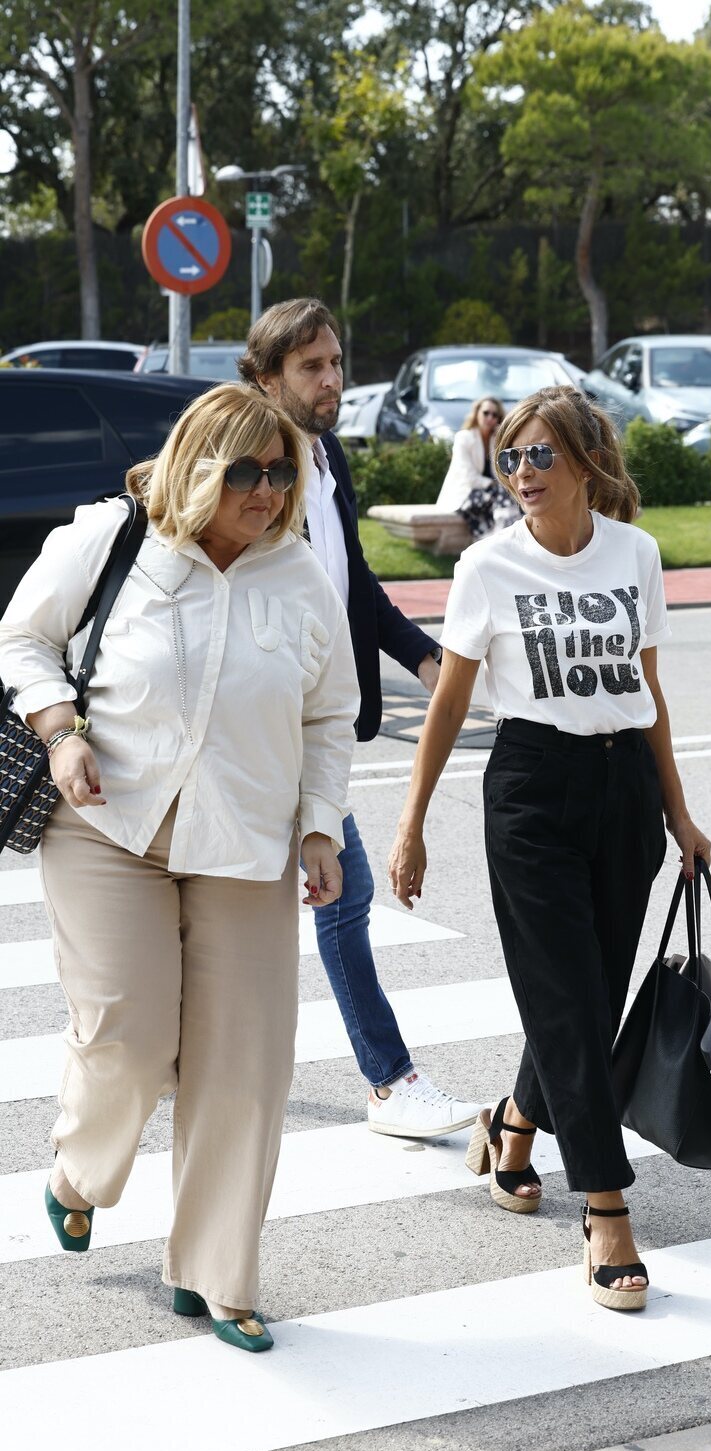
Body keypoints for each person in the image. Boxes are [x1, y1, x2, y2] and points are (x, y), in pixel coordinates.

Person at [0, 382, 359, 1352]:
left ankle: (216, 1275)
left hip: (243, 847)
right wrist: (61, 728)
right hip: (107, 828)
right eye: (247, 469)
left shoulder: (297, 577)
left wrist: (319, 828)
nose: (268, 488)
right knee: (126, 1034)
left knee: (244, 1068)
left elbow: (330, 717)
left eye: (281, 470)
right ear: (200, 465)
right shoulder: (113, 538)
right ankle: (79, 1172)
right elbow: (23, 635)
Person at [388, 385, 711, 1312]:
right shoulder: (488, 568)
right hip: (530, 786)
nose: (522, 474)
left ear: (583, 463)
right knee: (565, 997)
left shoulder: (635, 555)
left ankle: (514, 1119)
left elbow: (648, 692)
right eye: (510, 459)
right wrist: (412, 824)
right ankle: (605, 1209)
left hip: (623, 793)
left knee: (592, 995)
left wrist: (678, 815)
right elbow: (449, 702)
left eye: (539, 458)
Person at [239, 299, 482, 1138]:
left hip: (313, 726)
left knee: (288, 900)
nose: (333, 379)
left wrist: (428, 660)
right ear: (267, 379)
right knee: (339, 896)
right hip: (263, 729)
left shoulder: (325, 458)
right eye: (312, 367)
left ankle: (175, 1054)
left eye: (336, 361)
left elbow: (355, 589)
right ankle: (390, 1081)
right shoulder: (253, 473)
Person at [435, 396, 520, 539]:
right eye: (486, 413)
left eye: (495, 415)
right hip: (467, 493)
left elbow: (506, 468)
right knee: (502, 495)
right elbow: (468, 476)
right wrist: (493, 484)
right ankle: (500, 537)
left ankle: (509, 537)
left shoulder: (496, 440)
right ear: (477, 413)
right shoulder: (464, 438)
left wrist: (504, 434)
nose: (490, 418)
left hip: (493, 492)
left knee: (513, 496)